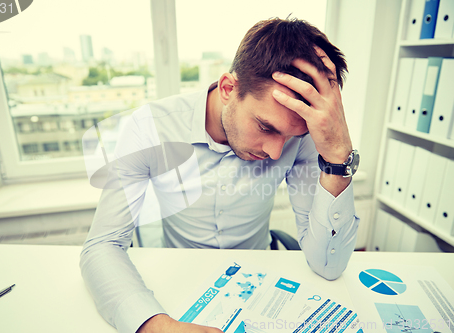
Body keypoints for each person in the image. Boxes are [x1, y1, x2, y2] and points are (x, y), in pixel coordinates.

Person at [80, 17, 360, 333]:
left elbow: (329, 264)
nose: (275, 152)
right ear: (229, 88)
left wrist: (338, 158)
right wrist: (155, 327)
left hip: (259, 285)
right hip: (175, 286)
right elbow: (101, 246)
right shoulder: (150, 128)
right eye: (265, 127)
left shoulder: (303, 136)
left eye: (290, 137)